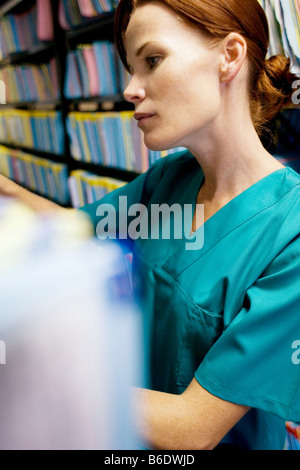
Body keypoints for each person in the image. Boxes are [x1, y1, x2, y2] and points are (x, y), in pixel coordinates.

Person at [0, 0, 300, 450]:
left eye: (152, 61)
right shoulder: (171, 178)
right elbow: (71, 231)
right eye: (128, 68)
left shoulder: (290, 232)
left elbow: (193, 427)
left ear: (230, 56)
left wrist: (32, 375)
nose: (129, 89)